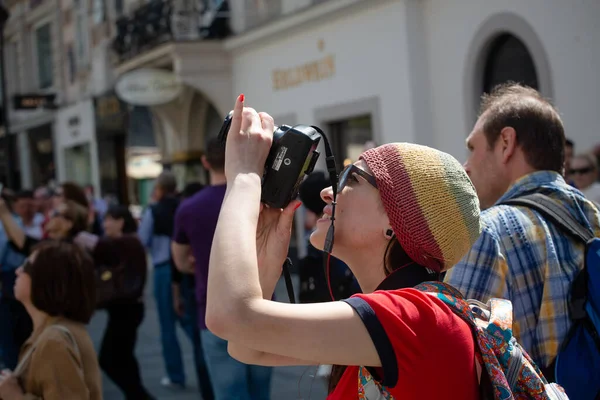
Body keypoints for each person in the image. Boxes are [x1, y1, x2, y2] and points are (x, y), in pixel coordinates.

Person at [205, 95, 482, 398]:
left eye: (352, 180)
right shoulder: (407, 316)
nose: (327, 192)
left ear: (397, 220)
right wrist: (269, 256)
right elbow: (247, 347)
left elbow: (229, 317)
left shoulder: (418, 318)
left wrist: (244, 176)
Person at [444, 83, 600, 376]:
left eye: (473, 147)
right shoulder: (592, 218)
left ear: (506, 143)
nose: (465, 165)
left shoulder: (489, 233)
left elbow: (452, 370)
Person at [172, 137, 272, 400]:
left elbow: (181, 261)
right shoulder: (262, 200)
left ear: (205, 162)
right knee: (261, 392)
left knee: (230, 394)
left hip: (216, 311)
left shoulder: (189, 207)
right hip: (264, 308)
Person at [0, 241, 102, 399]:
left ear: (48, 279)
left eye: (26, 266)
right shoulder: (52, 332)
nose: (18, 271)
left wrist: (15, 396)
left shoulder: (54, 342)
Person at [138, 171, 195, 389]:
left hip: (163, 268)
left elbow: (142, 240)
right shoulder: (182, 206)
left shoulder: (154, 210)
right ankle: (205, 358)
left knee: (167, 325)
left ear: (159, 189)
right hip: (185, 267)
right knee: (188, 318)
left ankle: (175, 374)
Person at [97, 205, 154, 400]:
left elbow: (101, 247)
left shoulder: (127, 242)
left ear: (120, 221)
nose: (105, 224)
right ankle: (136, 394)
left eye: (108, 219)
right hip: (126, 307)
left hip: (127, 308)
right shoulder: (126, 242)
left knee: (110, 357)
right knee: (124, 357)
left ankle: (138, 395)